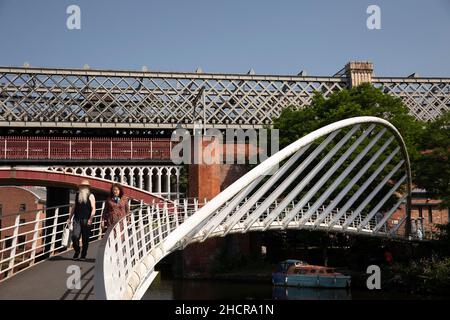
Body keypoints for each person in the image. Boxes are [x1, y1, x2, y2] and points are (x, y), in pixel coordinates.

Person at [67, 179, 96, 260]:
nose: (83, 187)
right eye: (82, 186)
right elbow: (74, 207)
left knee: (85, 238)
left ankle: (83, 255)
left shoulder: (91, 195)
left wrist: (91, 218)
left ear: (87, 187)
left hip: (87, 219)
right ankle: (77, 250)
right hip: (77, 219)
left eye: (84, 186)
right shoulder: (77, 195)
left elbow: (93, 208)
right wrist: (69, 218)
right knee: (75, 236)